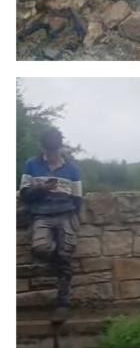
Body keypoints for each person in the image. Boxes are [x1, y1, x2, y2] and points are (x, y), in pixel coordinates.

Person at [19, 127, 82, 312]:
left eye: (55, 151)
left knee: (66, 253)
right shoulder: (32, 164)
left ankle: (63, 301)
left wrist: (77, 217)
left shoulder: (72, 169)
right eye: (49, 151)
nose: (52, 155)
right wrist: (42, 189)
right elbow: (24, 194)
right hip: (41, 215)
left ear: (60, 148)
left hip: (66, 214)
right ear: (43, 148)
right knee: (40, 249)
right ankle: (60, 259)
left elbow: (77, 198)